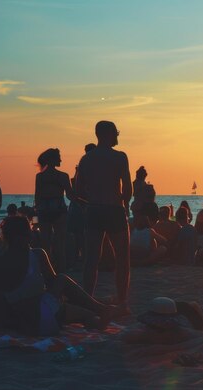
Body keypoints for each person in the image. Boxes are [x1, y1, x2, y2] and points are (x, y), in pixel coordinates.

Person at [0, 216, 112, 336]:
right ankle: (99, 309)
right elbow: (53, 284)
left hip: (21, 323)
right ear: (26, 235)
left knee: (62, 295)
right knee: (62, 282)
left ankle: (96, 310)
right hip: (44, 315)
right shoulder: (37, 255)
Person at [76, 120, 132, 311]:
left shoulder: (86, 159)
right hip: (114, 208)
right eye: (116, 133)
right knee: (122, 257)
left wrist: (89, 201)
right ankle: (122, 300)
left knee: (91, 258)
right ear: (108, 134)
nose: (117, 136)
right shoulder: (120, 157)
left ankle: (87, 298)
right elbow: (127, 187)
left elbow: (78, 190)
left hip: (94, 209)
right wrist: (125, 203)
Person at [122, 297, 203, 344]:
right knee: (192, 305)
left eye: (160, 328)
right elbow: (124, 335)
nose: (155, 330)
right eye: (153, 326)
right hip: (177, 310)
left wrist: (166, 349)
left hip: (197, 321)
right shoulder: (144, 330)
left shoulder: (180, 331)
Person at [35, 148, 74, 273]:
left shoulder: (40, 177)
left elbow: (37, 197)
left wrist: (36, 215)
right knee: (60, 244)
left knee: (45, 243)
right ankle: (61, 271)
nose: (60, 160)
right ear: (52, 160)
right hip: (59, 209)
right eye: (58, 158)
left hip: (44, 210)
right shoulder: (63, 176)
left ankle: (48, 270)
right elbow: (70, 195)